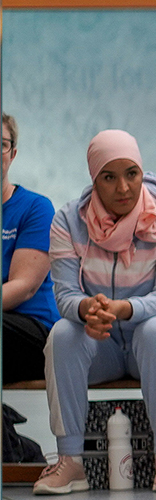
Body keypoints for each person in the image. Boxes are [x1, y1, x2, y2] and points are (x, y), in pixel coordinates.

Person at [35, 130, 156, 494]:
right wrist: (86, 310)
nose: (123, 187)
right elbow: (64, 295)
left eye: (132, 173)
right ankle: (70, 462)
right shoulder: (68, 221)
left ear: (143, 172)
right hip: (104, 344)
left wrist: (124, 308)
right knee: (63, 333)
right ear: (94, 180)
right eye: (109, 177)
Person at [2, 114, 59, 385]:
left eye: (1, 144)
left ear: (12, 154)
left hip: (35, 331)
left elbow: (23, 286)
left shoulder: (35, 208)